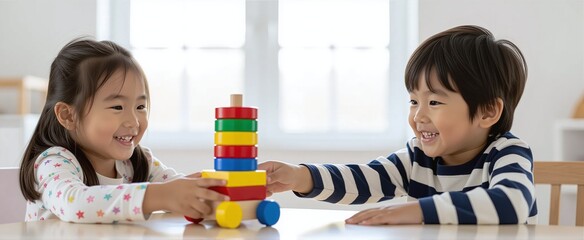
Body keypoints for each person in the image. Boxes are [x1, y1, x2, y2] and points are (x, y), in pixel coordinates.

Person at [258, 25, 537, 225]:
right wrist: (299, 176)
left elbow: (512, 202)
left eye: (435, 103)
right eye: (414, 101)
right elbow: (363, 180)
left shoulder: (507, 152)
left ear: (488, 111)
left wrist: (417, 211)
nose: (418, 116)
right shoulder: (418, 158)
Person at [18, 38, 229, 223]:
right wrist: (158, 196)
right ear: (68, 115)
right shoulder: (54, 163)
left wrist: (243, 182)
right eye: (117, 107)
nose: (134, 122)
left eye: (140, 107)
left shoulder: (138, 162)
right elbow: (76, 203)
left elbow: (183, 191)